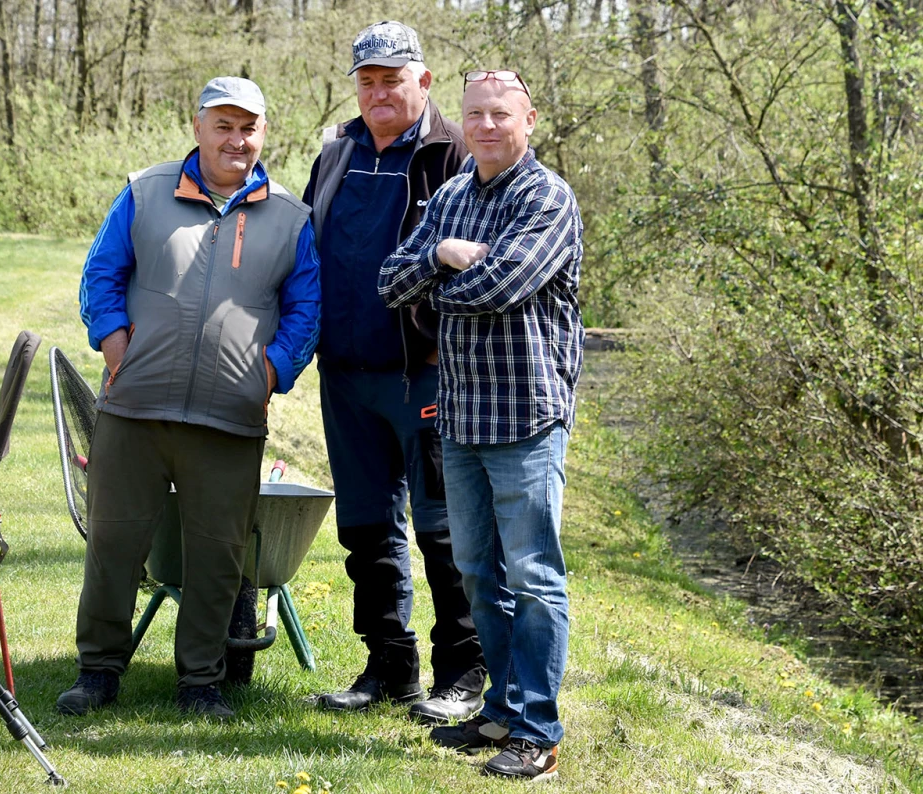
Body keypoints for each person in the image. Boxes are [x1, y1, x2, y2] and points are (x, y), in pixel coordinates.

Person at [61, 76, 322, 720]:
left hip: (230, 419)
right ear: (198, 127)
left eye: (249, 128)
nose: (237, 140)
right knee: (114, 545)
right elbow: (101, 273)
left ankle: (200, 681)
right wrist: (114, 345)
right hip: (133, 409)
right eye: (224, 126)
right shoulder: (144, 192)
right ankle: (98, 672)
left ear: (264, 134)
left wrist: (271, 372)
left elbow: (307, 310)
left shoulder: (291, 218)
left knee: (217, 554)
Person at [378, 69, 584, 781]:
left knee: (533, 577)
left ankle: (537, 730)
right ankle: (498, 709)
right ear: (460, 121)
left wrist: (435, 286)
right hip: (461, 421)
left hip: (527, 417)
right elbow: (388, 282)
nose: (487, 126)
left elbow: (502, 286)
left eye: (501, 114)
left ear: (531, 120)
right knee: (475, 572)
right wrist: (438, 254)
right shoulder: (453, 197)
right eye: (475, 114)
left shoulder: (547, 197)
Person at [302, 20, 486, 723]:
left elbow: (486, 258)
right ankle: (390, 666)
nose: (379, 92)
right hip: (346, 374)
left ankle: (463, 670)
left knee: (443, 529)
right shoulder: (338, 152)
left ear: (424, 81)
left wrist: (444, 338)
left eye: (393, 79)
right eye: (367, 80)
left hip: (427, 376)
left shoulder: (458, 153)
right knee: (366, 527)